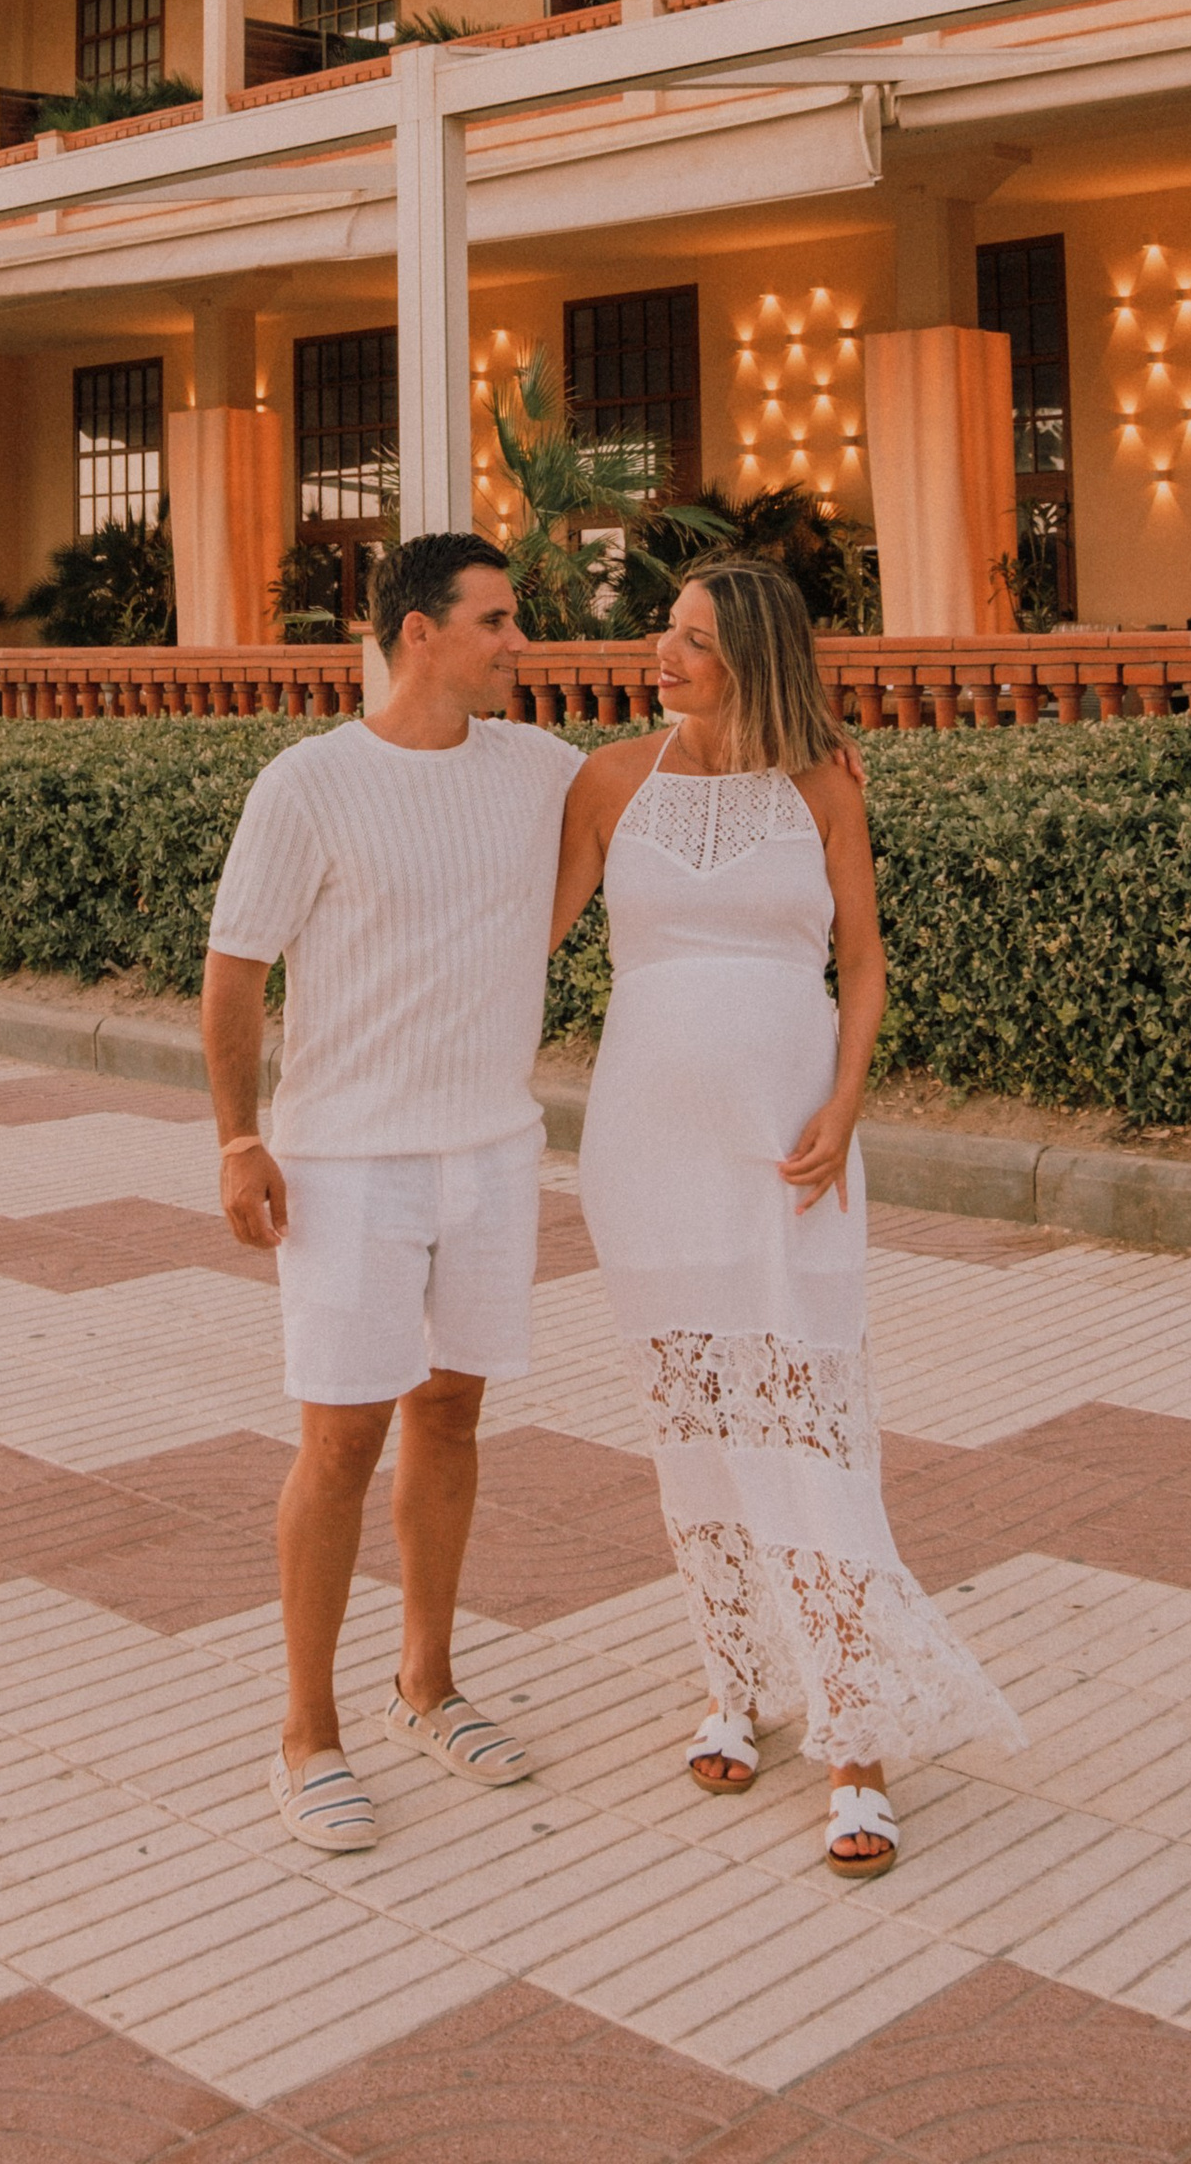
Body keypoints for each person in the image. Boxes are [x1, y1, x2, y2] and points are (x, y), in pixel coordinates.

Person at [553, 557, 1019, 1881]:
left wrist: (851, 1098)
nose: (665, 652)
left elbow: (862, 960)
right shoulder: (607, 780)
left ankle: (856, 1736)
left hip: (787, 1149)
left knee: (810, 1419)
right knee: (692, 1419)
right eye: (667, 632)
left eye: (694, 639)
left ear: (752, 655)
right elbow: (523, 935)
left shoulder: (827, 781)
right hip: (646, 1151)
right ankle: (731, 1683)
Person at [204, 530, 582, 1854]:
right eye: (494, 620)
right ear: (417, 631)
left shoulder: (538, 769)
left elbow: (674, 776)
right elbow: (235, 973)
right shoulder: (309, 785)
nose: (515, 642)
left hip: (488, 1148)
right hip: (347, 1159)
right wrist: (239, 1142)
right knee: (340, 1441)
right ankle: (307, 1731)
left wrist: (807, 758)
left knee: (453, 1413)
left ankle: (428, 1678)